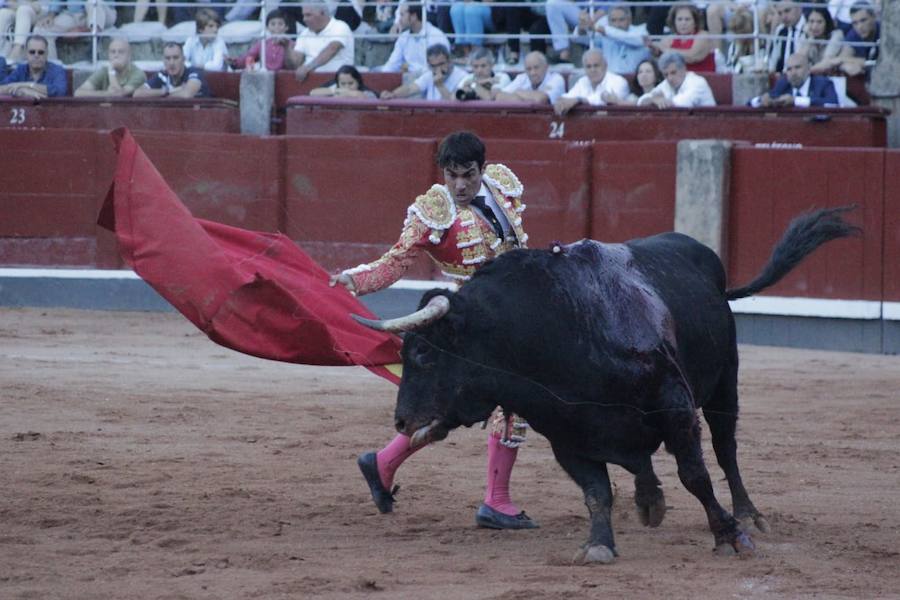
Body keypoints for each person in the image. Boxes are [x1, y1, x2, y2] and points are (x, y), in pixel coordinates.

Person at [330, 131, 538, 530]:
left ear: (483, 168)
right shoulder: (433, 211)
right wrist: (356, 280)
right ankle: (496, 501)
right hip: (466, 324)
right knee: (512, 404)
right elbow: (396, 261)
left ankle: (383, 462)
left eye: (468, 175)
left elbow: (517, 249)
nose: (459, 185)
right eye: (451, 175)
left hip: (510, 315)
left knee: (458, 408)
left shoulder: (501, 187)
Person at [288, 0, 355, 82]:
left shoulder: (340, 26)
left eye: (308, 15)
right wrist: (286, 48)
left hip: (338, 81)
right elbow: (296, 63)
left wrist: (308, 68)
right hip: (309, 80)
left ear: (322, 13)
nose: (304, 19)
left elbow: (332, 49)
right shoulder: (304, 33)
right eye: (304, 15)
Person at [31, 0, 117, 62]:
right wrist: (51, 15)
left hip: (103, 12)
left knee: (93, 2)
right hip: (73, 14)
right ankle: (53, 68)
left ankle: (94, 44)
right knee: (41, 30)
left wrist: (82, 30)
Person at [379, 2, 450, 76]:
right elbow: (392, 65)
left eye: (402, 15)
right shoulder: (403, 37)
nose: (399, 20)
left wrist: (409, 69)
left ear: (413, 16)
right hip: (410, 80)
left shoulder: (436, 37)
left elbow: (437, 69)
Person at [750, 51, 838, 107]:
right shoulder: (783, 84)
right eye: (789, 69)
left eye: (797, 67)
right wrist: (760, 100)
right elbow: (749, 104)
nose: (793, 73)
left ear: (808, 69)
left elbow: (833, 104)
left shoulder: (823, 83)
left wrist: (796, 100)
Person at [553, 48, 628, 115]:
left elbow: (605, 101)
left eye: (596, 65)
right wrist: (561, 101)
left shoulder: (618, 81)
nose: (592, 70)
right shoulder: (582, 81)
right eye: (588, 66)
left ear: (605, 66)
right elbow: (569, 97)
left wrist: (579, 100)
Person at [380, 43, 466, 100]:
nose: (438, 69)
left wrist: (440, 86)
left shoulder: (462, 77)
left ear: (449, 61)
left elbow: (454, 103)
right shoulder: (429, 74)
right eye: (434, 66)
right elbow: (410, 89)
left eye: (441, 64)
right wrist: (393, 94)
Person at [648, 3, 716, 73]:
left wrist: (664, 49)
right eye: (679, 19)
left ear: (695, 22)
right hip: (677, 81)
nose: (683, 23)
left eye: (687, 19)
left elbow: (691, 57)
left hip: (701, 80)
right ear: (674, 22)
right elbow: (660, 57)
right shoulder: (670, 39)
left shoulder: (703, 36)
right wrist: (655, 50)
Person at [637, 51, 716, 108]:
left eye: (673, 73)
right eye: (666, 74)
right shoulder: (666, 84)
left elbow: (681, 103)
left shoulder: (698, 82)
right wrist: (653, 99)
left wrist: (660, 100)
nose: (670, 78)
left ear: (683, 69)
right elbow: (640, 101)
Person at [134, 41, 211, 98]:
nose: (171, 63)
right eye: (168, 58)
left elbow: (187, 95)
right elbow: (137, 94)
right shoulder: (162, 75)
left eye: (176, 58)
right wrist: (166, 91)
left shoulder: (194, 72)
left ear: (183, 59)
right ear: (163, 61)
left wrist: (162, 96)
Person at [74, 37, 146, 97]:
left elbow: (118, 95)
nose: (116, 55)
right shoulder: (104, 71)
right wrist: (107, 94)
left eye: (121, 52)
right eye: (112, 52)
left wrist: (111, 71)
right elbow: (78, 93)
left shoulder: (138, 74)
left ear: (129, 55)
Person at [591, 4, 651, 76]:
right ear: (608, 21)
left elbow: (639, 41)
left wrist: (604, 30)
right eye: (613, 20)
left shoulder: (640, 30)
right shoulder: (605, 34)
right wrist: (582, 29)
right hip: (610, 78)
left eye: (621, 20)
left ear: (630, 19)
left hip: (635, 79)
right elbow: (582, 38)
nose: (617, 24)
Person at [0, 34, 66, 97]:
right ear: (26, 53)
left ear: (47, 54)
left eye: (41, 52)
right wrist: (21, 91)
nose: (36, 55)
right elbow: (2, 87)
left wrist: (29, 85)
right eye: (32, 52)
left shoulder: (57, 70)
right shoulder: (21, 70)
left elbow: (60, 91)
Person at [226, 9, 292, 71]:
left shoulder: (292, 44)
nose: (276, 27)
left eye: (280, 24)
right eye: (273, 24)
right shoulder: (263, 44)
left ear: (286, 27)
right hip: (265, 76)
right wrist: (235, 62)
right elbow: (249, 56)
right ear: (267, 27)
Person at [492, 50, 565, 105]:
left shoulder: (556, 78)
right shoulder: (522, 78)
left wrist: (518, 92)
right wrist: (528, 98)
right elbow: (499, 96)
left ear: (546, 67)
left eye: (536, 68)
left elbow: (540, 99)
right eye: (528, 69)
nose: (532, 73)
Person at [835, 1, 879, 77]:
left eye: (863, 20)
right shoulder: (853, 34)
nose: (859, 27)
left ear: (874, 17)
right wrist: (846, 66)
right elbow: (843, 57)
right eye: (855, 23)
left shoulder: (885, 31)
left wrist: (862, 63)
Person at [798, 7, 845, 75]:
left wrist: (804, 72)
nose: (814, 26)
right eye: (811, 21)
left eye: (819, 22)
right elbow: (798, 60)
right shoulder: (805, 37)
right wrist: (810, 38)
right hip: (810, 77)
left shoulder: (836, 35)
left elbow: (826, 62)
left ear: (827, 23)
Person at [182, 7, 228, 72]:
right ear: (200, 29)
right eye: (211, 26)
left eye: (217, 26)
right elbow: (182, 61)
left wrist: (196, 66)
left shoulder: (219, 42)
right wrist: (197, 67)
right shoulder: (191, 40)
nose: (215, 30)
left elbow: (217, 66)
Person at [767, 0, 806, 73]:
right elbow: (773, 58)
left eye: (787, 11)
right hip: (782, 75)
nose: (783, 17)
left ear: (799, 8)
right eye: (780, 13)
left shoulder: (809, 28)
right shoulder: (781, 30)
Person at [309, 64, 377, 97]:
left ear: (358, 81)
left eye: (351, 83)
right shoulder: (335, 86)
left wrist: (348, 93)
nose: (347, 86)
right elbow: (312, 93)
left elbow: (363, 97)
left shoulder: (366, 91)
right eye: (343, 84)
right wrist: (335, 91)